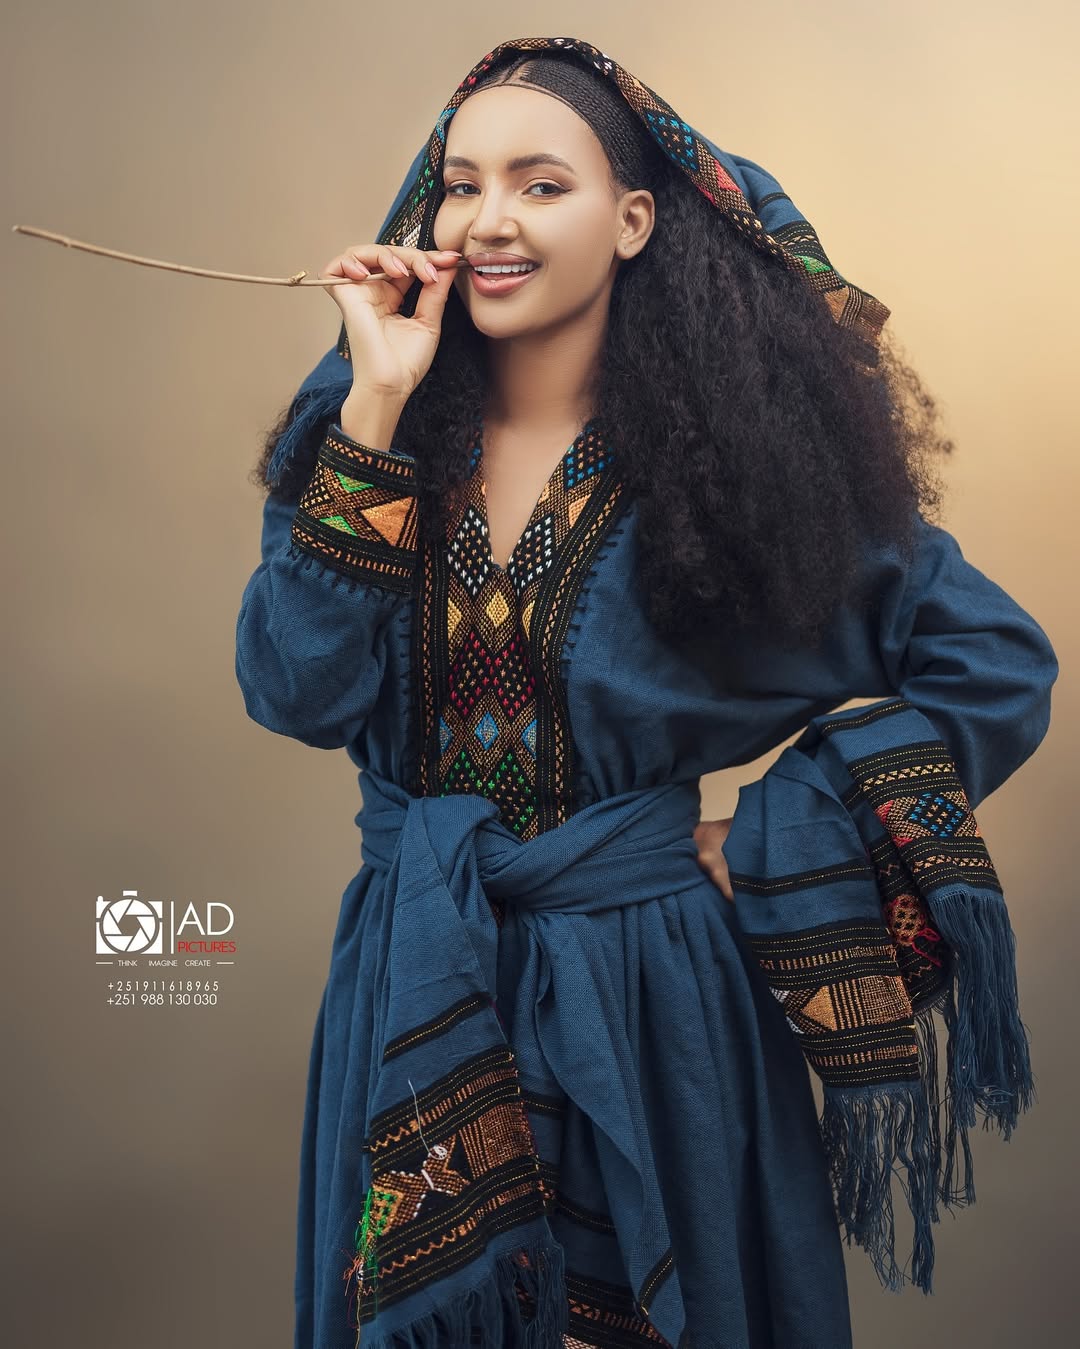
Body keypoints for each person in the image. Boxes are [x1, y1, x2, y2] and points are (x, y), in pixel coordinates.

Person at [235, 36, 1059, 1349]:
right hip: (414, 977)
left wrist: (794, 829)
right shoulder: (377, 449)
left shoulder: (740, 470)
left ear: (631, 219)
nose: (488, 220)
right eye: (460, 185)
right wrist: (376, 407)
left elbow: (994, 659)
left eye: (539, 184)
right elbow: (291, 689)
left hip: (652, 992)